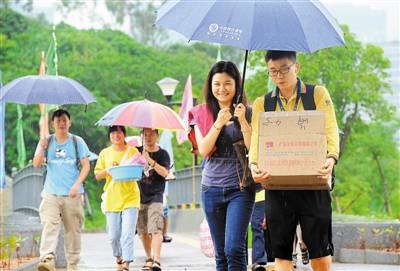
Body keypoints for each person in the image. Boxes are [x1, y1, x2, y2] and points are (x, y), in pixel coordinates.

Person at [249, 50, 339, 271]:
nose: (279, 76)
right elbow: (257, 138)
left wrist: (331, 157)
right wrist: (253, 164)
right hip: (277, 184)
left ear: (296, 68)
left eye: (284, 69)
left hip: (314, 180)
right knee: (281, 250)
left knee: (319, 249)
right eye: (273, 71)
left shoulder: (316, 94)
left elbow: (330, 128)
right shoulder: (264, 103)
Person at [189, 60, 255, 270]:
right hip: (211, 189)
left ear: (236, 85)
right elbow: (204, 149)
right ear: (210, 86)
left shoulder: (249, 112)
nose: (222, 89)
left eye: (227, 83)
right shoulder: (201, 113)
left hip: (240, 188)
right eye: (217, 84)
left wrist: (243, 121)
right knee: (221, 255)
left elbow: (253, 148)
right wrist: (218, 123)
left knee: (234, 249)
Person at [33, 109, 90, 271]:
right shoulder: (46, 141)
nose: (62, 123)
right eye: (58, 121)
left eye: (64, 120)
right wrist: (42, 147)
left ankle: (72, 264)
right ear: (52, 124)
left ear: (69, 123)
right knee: (49, 224)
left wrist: (77, 184)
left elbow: (86, 166)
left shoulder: (77, 141)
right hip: (51, 192)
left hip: (72, 194)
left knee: (72, 231)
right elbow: (37, 164)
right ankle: (47, 258)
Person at [94, 125, 141, 271]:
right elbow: (97, 175)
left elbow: (141, 169)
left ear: (124, 134)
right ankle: (119, 257)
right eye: (113, 133)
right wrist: (108, 170)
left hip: (131, 197)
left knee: (127, 233)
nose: (116, 135)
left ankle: (126, 263)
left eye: (119, 132)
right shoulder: (105, 153)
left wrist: (142, 158)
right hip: (112, 198)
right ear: (109, 136)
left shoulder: (132, 151)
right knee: (114, 236)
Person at [137, 128, 170, 271]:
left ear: (156, 135)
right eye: (145, 135)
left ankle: (157, 260)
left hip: (156, 196)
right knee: (143, 231)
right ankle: (149, 258)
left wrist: (149, 160)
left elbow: (165, 173)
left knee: (156, 229)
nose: (148, 137)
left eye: (151, 134)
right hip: (138, 197)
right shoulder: (135, 152)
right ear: (141, 136)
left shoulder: (163, 154)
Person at [251, 190, 268, 271]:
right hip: (238, 194)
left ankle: (258, 261)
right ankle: (240, 261)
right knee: (239, 230)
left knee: (257, 227)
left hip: (259, 195)